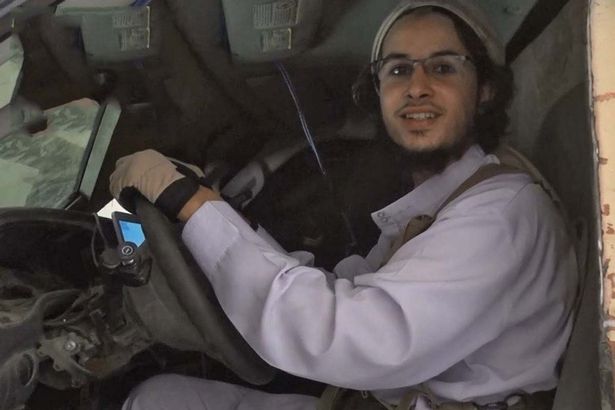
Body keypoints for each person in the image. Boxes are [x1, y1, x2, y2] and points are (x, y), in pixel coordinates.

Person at [110, 0, 578, 409]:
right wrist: (224, 221)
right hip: (394, 397)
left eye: (443, 67)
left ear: (486, 92)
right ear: (377, 94)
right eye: (397, 69)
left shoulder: (499, 217)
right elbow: (346, 289)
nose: (416, 87)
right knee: (154, 398)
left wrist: (188, 202)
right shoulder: (447, 205)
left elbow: (344, 336)